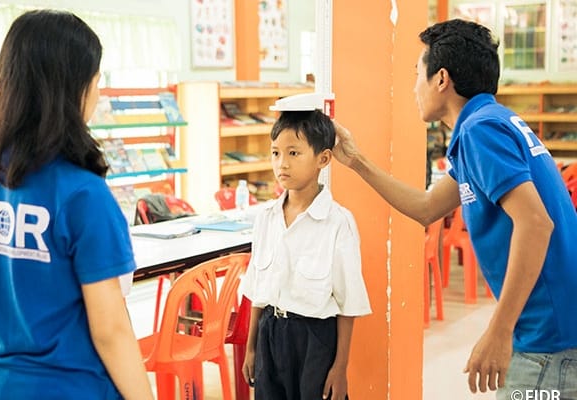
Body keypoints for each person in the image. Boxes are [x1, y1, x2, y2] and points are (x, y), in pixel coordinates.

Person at [333, 18, 577, 399]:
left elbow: (535, 222)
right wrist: (356, 161)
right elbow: (428, 207)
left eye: (418, 74)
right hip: (552, 336)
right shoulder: (490, 122)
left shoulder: (481, 130)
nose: (414, 87)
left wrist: (499, 329)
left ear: (441, 79)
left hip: (547, 344)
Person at [0, 10, 154, 400]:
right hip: (73, 387)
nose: (99, 92)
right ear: (71, 89)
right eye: (96, 80)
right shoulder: (83, 194)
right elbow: (111, 330)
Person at [240, 109, 372, 400]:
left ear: (323, 159)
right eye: (275, 153)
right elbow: (257, 292)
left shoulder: (338, 222)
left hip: (315, 340)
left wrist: (340, 368)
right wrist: (251, 348)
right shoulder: (266, 218)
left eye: (294, 153)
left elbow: (348, 303)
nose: (281, 163)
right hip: (270, 335)